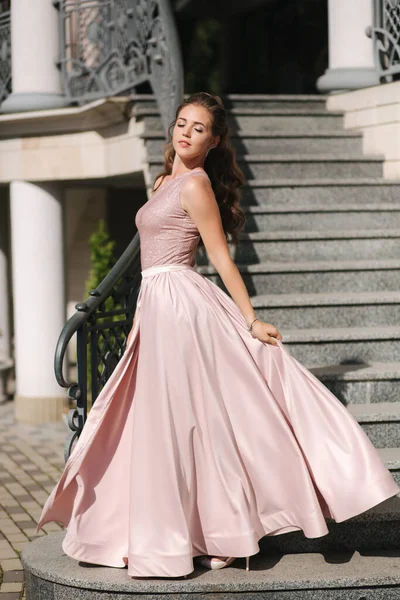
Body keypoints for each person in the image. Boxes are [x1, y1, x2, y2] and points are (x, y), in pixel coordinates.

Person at [36, 92, 400, 579]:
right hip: (155, 305)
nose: (185, 132)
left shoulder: (196, 185)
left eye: (198, 127)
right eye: (181, 123)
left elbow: (221, 258)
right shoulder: (165, 179)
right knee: (167, 422)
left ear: (214, 140)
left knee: (192, 420)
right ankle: (174, 530)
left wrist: (250, 320)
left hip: (182, 307)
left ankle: (218, 531)